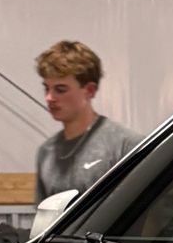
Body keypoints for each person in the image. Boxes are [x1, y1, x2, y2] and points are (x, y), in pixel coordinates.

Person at [34, 39, 137, 203]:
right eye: (47, 88)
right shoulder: (46, 153)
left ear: (89, 90)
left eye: (60, 89)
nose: (49, 98)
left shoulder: (124, 146)